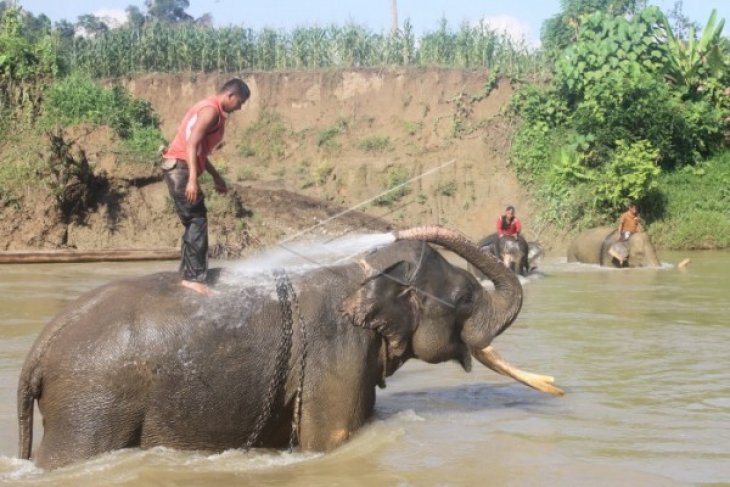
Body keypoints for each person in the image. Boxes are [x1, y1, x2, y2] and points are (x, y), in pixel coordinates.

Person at [161, 78, 250, 296]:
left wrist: (217, 177)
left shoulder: (213, 110)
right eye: (240, 101)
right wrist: (193, 179)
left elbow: (200, 150)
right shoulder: (211, 111)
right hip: (180, 169)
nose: (240, 107)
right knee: (196, 219)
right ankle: (193, 278)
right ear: (230, 96)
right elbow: (191, 144)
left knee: (194, 220)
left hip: (181, 167)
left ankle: (187, 272)